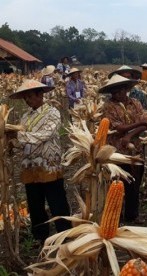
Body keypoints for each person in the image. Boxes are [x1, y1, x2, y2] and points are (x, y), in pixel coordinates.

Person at [8, 79, 72, 245]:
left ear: (40, 94)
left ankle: (64, 234)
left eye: (29, 96)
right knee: (35, 203)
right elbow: (20, 141)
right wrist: (10, 141)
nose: (27, 101)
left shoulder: (52, 113)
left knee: (57, 201)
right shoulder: (25, 117)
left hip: (49, 164)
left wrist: (19, 136)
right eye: (25, 98)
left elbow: (46, 135)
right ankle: (40, 236)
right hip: (30, 165)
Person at [100, 74, 147, 224]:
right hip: (117, 153)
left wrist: (129, 135)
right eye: (113, 92)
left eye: (119, 91)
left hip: (136, 151)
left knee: (134, 184)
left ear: (126, 89)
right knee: (117, 184)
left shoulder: (135, 103)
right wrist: (136, 125)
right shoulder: (108, 106)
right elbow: (118, 127)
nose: (116, 94)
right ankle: (116, 217)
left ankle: (132, 215)